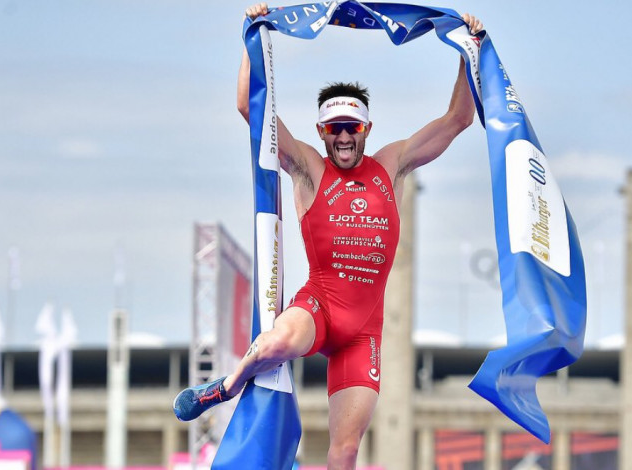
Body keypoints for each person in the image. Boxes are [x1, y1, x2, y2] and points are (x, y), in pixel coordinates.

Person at [175, 3, 482, 469]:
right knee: (276, 343)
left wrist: (466, 49)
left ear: (366, 129)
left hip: (364, 332)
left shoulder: (392, 164)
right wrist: (251, 34)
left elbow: (458, 119)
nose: (343, 138)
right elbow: (248, 108)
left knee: (345, 452)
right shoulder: (309, 168)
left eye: (351, 128)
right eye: (334, 129)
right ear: (321, 132)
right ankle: (227, 387)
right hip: (318, 307)